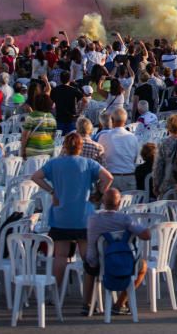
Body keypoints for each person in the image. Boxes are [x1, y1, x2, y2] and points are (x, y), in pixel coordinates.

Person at [31, 132, 113, 286]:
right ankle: (90, 291)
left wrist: (52, 191)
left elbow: (35, 176)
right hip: (83, 215)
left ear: (64, 147)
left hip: (61, 215)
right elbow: (108, 177)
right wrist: (99, 192)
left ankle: (57, 290)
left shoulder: (54, 163)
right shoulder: (88, 163)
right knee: (86, 255)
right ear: (80, 147)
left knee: (60, 256)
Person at [82, 187, 152, 316]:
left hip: (98, 265)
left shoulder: (92, 219)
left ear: (103, 202)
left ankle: (87, 304)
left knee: (89, 263)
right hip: (123, 264)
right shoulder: (125, 219)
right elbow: (146, 236)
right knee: (143, 267)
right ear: (119, 203)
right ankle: (120, 303)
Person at [98, 108, 140, 192]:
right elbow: (135, 159)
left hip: (111, 178)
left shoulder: (104, 137)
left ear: (112, 120)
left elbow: (100, 158)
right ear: (125, 121)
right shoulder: (133, 138)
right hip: (129, 177)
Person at [20, 93, 57, 159]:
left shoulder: (32, 116)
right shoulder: (52, 117)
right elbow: (53, 136)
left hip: (33, 151)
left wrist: (23, 151)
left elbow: (25, 135)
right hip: (48, 150)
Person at [51, 70, 83, 134]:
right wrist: (79, 112)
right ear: (69, 79)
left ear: (60, 79)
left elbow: (52, 105)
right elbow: (84, 100)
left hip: (59, 118)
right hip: (71, 119)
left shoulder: (55, 90)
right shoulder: (74, 90)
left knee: (59, 141)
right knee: (72, 141)